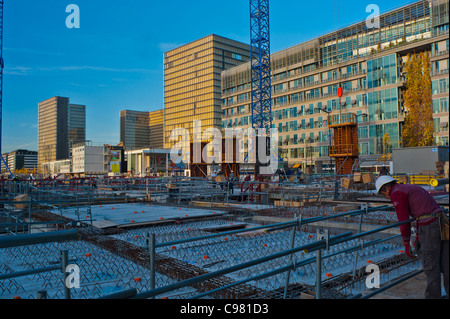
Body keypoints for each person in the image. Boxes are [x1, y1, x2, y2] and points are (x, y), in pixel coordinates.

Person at [375, 175, 449, 299]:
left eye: (384, 194)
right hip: (440, 224)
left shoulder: (396, 193)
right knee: (446, 263)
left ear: (387, 188)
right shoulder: (408, 188)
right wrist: (418, 237)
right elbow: (421, 213)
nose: (387, 197)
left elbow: (403, 220)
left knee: (431, 265)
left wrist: (406, 243)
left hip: (430, 226)